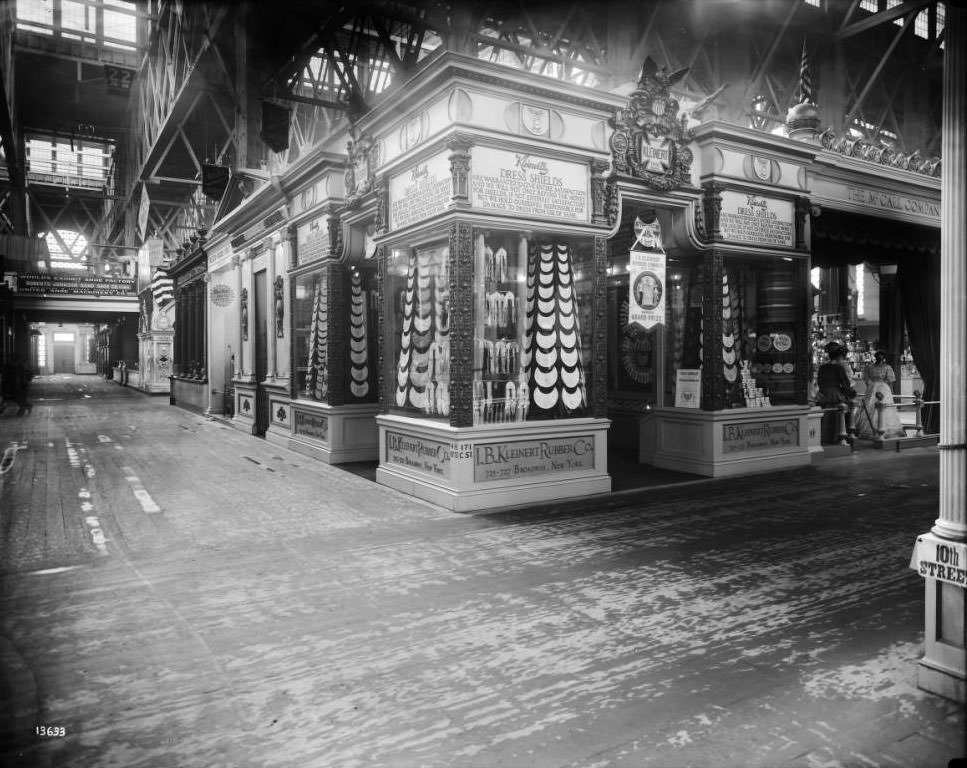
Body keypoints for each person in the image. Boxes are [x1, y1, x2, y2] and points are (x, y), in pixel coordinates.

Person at [853, 351, 905, 439]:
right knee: (871, 407)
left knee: (882, 408)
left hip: (882, 388)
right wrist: (871, 387)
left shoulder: (887, 367)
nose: (880, 358)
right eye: (878, 357)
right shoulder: (869, 367)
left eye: (881, 357)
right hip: (875, 388)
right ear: (876, 357)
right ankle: (871, 429)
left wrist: (889, 391)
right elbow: (866, 379)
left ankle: (882, 428)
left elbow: (889, 380)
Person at [815, 342, 855, 444]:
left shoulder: (822, 367)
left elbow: (819, 381)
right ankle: (838, 437)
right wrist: (849, 392)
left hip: (823, 394)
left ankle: (824, 437)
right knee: (838, 415)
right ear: (838, 356)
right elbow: (845, 383)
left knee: (825, 415)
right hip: (836, 393)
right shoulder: (839, 367)